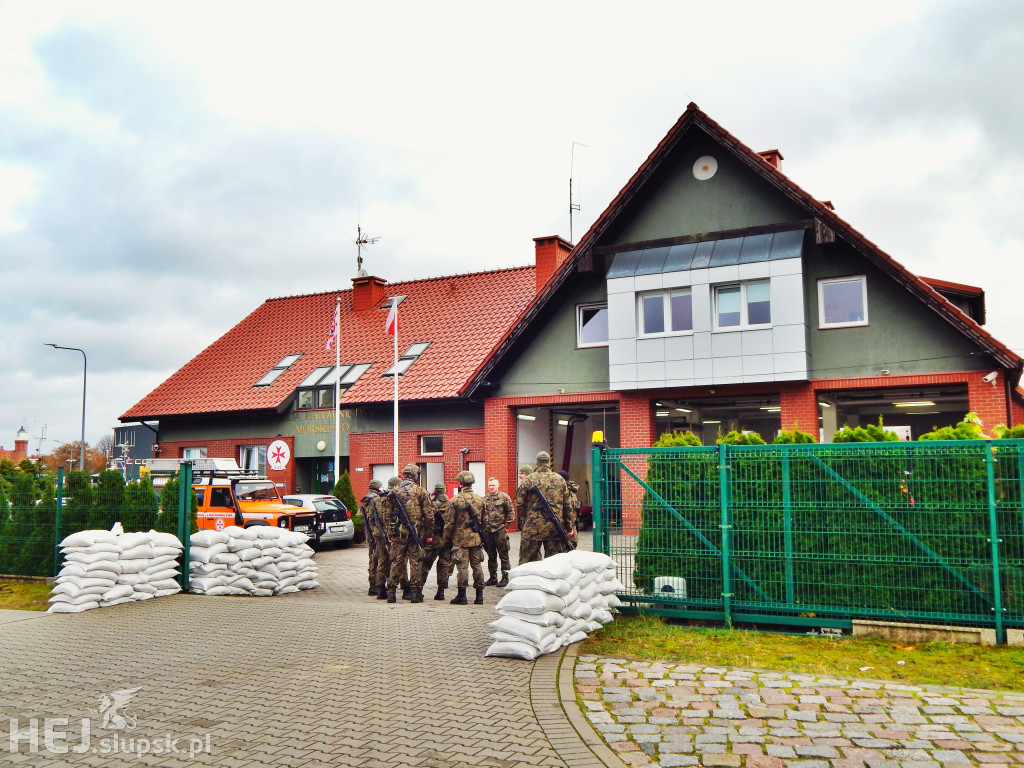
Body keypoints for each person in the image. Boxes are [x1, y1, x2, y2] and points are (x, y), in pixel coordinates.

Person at [514, 451, 574, 564]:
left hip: (532, 527)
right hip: (554, 528)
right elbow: (567, 505)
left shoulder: (529, 479)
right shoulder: (560, 479)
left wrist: (523, 521)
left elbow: (519, 503)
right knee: (554, 563)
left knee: (528, 561)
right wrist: (568, 526)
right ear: (549, 463)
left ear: (536, 464)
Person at [385, 465, 431, 603]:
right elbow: (429, 515)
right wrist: (429, 534)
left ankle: (391, 593)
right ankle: (415, 594)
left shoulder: (394, 491)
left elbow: (387, 515)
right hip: (416, 534)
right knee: (416, 563)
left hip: (398, 534)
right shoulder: (420, 491)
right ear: (415, 475)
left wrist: (390, 532)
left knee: (396, 562)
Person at [443, 470, 486, 605]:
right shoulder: (481, 499)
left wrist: (445, 539)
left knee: (462, 567)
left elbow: (449, 522)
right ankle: (479, 596)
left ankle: (462, 596)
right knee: (477, 566)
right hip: (476, 538)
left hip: (460, 540)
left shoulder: (455, 500)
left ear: (460, 483)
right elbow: (485, 521)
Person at [421, 481, 455, 600]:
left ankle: (419, 589)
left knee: (425, 564)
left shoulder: (431, 504)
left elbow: (426, 520)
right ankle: (441, 592)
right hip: (446, 539)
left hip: (433, 539)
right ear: (444, 491)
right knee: (444, 564)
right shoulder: (451, 503)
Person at [481, 476, 514, 587]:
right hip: (488, 531)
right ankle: (492, 577)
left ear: (498, 485)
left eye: (493, 485)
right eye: (489, 485)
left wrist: (506, 526)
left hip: (500, 530)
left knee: (503, 554)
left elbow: (510, 512)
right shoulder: (485, 499)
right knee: (491, 555)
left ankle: (505, 577)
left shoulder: (504, 497)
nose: (491, 487)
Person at [362, 479, 391, 598]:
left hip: (371, 533)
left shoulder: (366, 500)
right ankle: (378, 585)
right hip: (378, 533)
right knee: (381, 559)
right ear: (378, 488)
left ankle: (372, 585)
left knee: (373, 559)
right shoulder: (376, 500)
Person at [556, 470, 581, 550]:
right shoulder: (572, 489)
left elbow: (566, 508)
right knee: (571, 547)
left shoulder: (562, 490)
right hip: (572, 522)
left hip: (564, 524)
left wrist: (568, 527)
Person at [515, 463, 533, 529]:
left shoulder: (529, 486)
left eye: (522, 473)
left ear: (528, 474)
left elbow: (520, 503)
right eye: (519, 473)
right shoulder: (523, 485)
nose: (519, 475)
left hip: (529, 518)